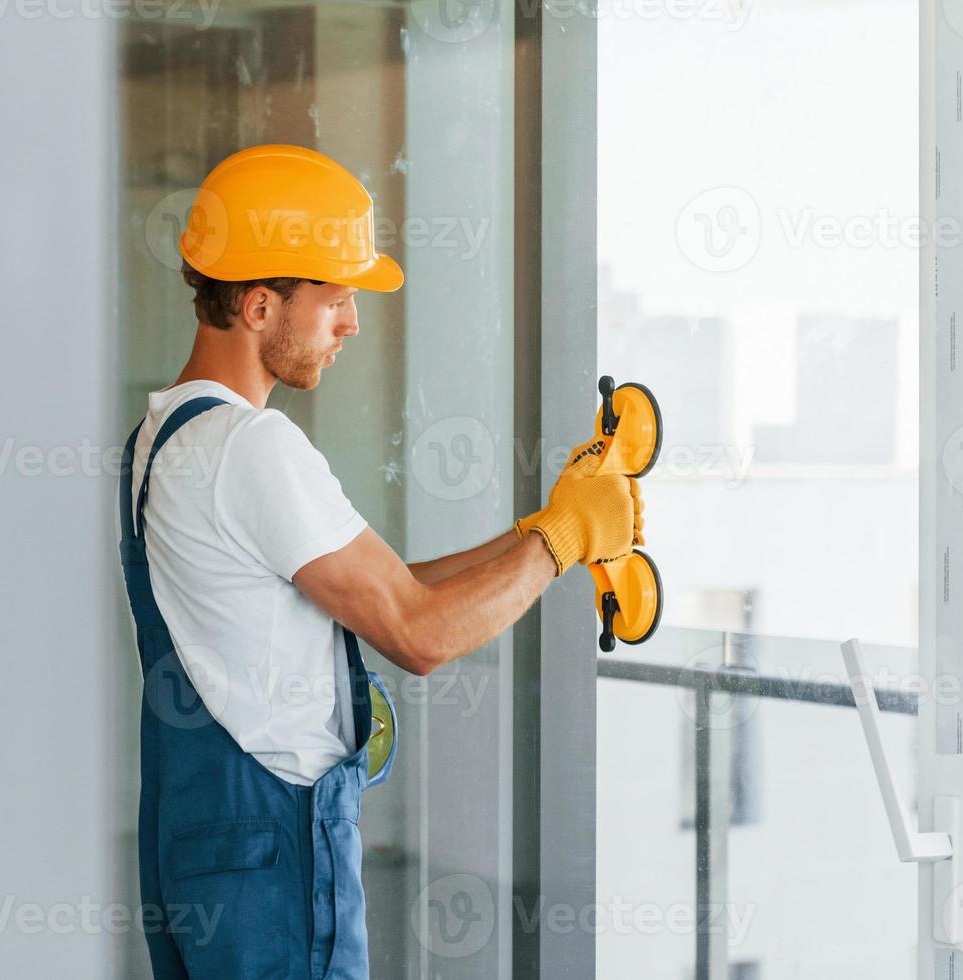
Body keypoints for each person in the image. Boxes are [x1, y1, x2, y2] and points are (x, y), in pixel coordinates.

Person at [117, 144, 642, 978]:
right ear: (258, 305)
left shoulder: (163, 439)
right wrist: (563, 545)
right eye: (333, 299)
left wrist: (542, 524)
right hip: (278, 853)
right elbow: (418, 634)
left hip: (205, 842)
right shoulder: (252, 447)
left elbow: (387, 588)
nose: (352, 324)